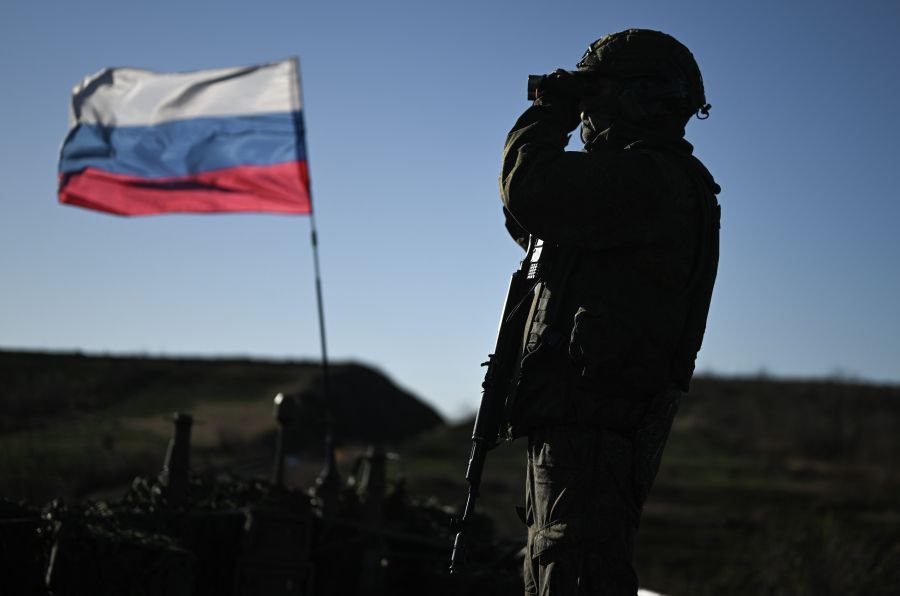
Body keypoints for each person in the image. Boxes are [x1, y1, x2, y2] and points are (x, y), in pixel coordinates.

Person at [499, 29, 721, 595]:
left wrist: (549, 116)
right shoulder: (641, 181)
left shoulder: (653, 179)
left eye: (598, 94)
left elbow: (532, 190)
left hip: (595, 420)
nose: (588, 111)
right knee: (551, 565)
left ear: (641, 97)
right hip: (580, 417)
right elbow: (537, 220)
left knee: (574, 571)